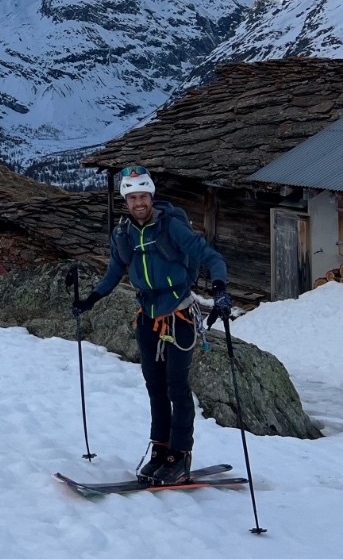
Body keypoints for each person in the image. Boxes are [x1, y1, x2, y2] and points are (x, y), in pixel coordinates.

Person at [71, 165, 232, 485]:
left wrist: (220, 290)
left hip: (179, 316)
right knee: (155, 388)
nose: (139, 202)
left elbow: (210, 256)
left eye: (143, 196)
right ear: (126, 200)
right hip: (147, 317)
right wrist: (91, 299)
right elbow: (115, 270)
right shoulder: (123, 233)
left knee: (177, 386)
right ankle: (160, 449)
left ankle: (180, 455)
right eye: (133, 197)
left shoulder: (172, 227)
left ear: (152, 196)